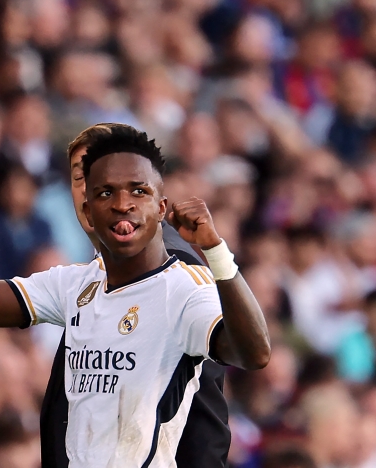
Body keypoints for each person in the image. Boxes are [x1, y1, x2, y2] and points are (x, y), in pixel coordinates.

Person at [0, 125, 271, 467]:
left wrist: (217, 253)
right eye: (94, 185)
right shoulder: (77, 282)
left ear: (161, 206)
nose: (121, 203)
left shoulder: (185, 280)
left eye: (136, 189)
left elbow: (251, 354)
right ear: (83, 204)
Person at [39, 123, 232, 468]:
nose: (90, 191)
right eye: (80, 177)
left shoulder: (173, 266)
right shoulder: (100, 269)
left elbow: (201, 404)